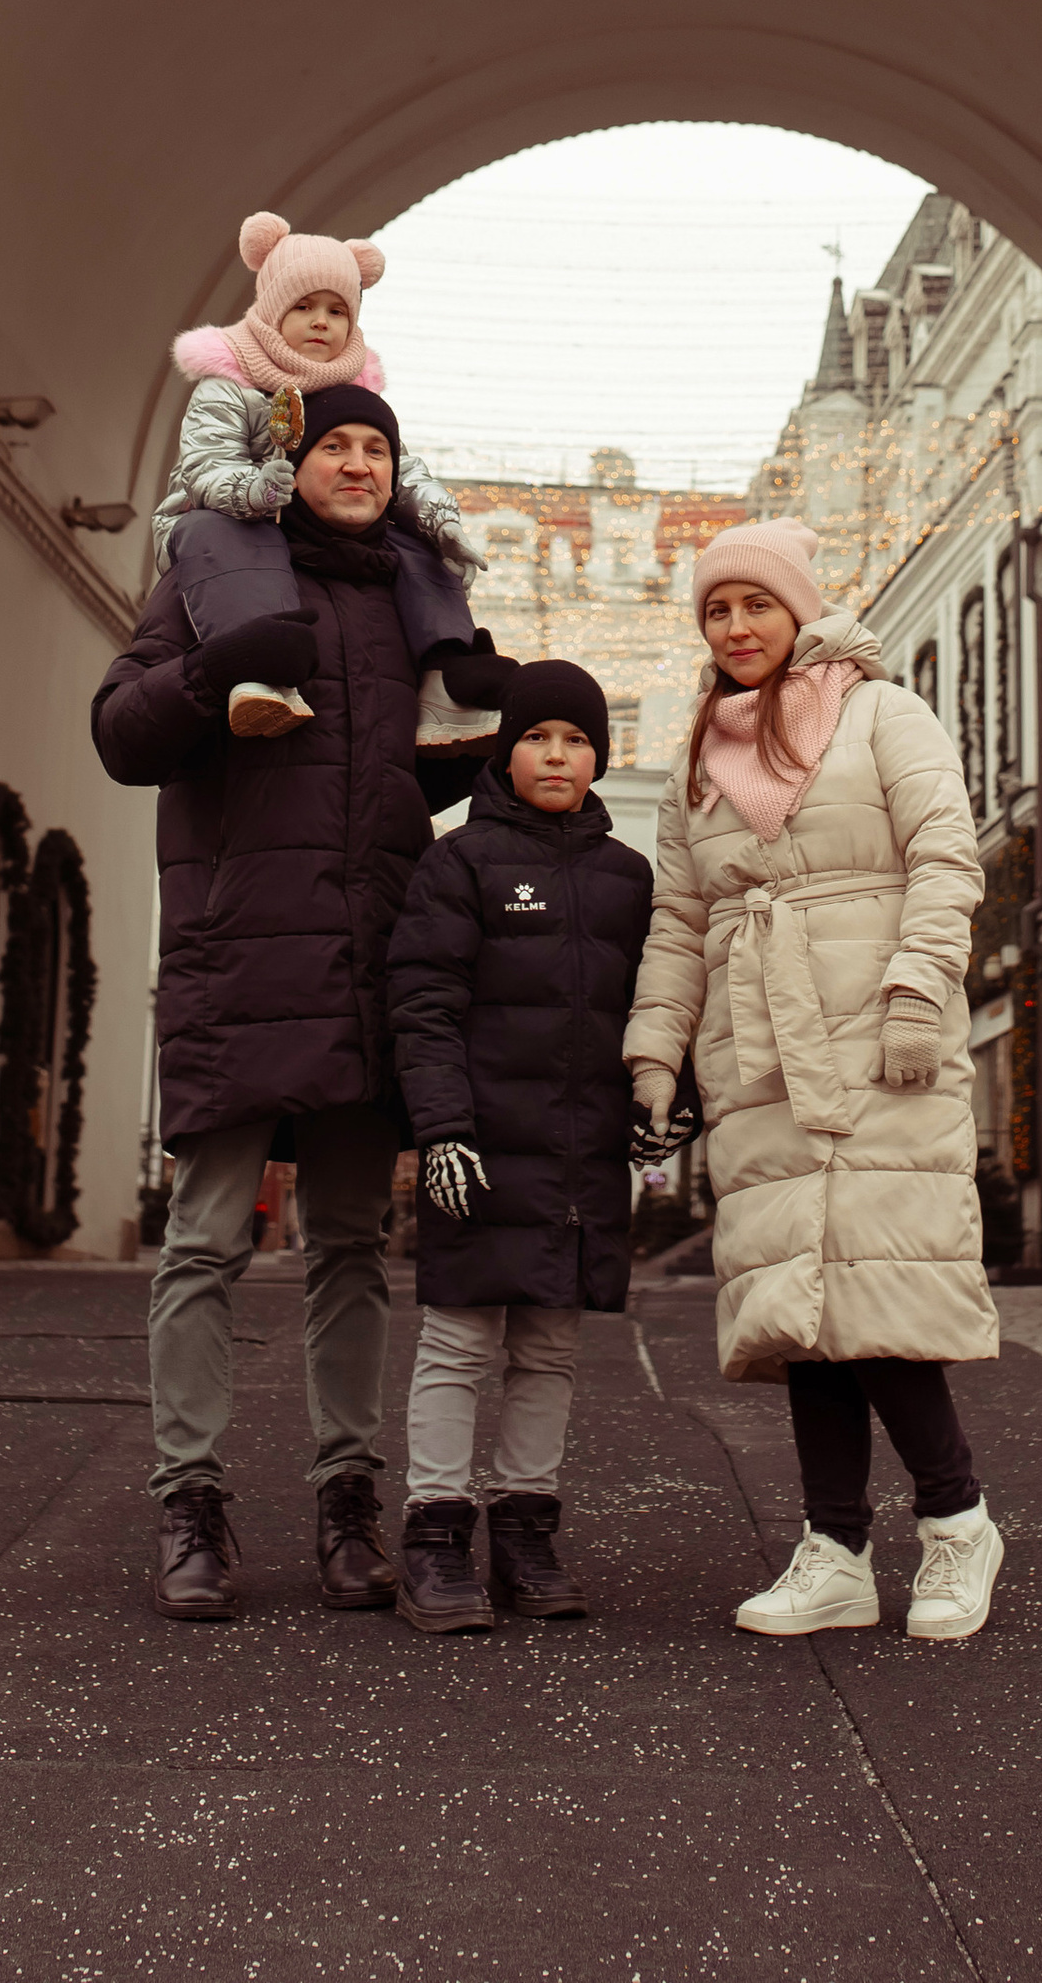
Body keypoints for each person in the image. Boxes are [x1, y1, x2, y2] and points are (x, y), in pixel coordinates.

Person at [91, 379, 504, 1622]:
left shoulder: (415, 604)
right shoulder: (215, 572)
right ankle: (191, 1503)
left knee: (348, 1248)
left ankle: (345, 1501)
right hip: (240, 952)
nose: (361, 465)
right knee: (208, 1237)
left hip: (365, 958)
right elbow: (118, 728)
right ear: (294, 460)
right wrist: (216, 673)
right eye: (338, 446)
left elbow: (434, 769)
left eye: (379, 448)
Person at [624, 517, 1005, 1643]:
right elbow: (679, 918)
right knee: (802, 1301)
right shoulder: (698, 757)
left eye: (755, 605)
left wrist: (914, 994)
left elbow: (946, 855)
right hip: (759, 1051)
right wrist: (655, 1049)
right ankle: (834, 1549)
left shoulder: (886, 714)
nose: (736, 628)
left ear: (800, 610)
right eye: (715, 611)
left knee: (879, 1293)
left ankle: (956, 1521)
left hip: (882, 1034)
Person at [383, 660, 653, 1633]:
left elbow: (652, 1010)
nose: (556, 754)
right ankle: (435, 1537)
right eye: (538, 736)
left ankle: (526, 1529)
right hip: (483, 1147)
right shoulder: (457, 863)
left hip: (579, 1160)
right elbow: (424, 1004)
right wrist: (441, 1127)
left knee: (548, 1346)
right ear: (507, 749)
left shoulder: (628, 879)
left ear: (598, 757)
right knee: (457, 1341)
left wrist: (667, 1099)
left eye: (576, 740)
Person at [153, 211, 483, 734]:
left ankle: (446, 678)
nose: (321, 321)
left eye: (336, 310)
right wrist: (255, 490)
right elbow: (204, 467)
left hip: (314, 528)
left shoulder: (354, 392)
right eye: (303, 306)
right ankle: (259, 673)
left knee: (417, 547)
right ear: (270, 310)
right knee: (230, 533)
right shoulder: (228, 384)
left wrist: (442, 521)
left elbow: (398, 467)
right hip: (220, 520)